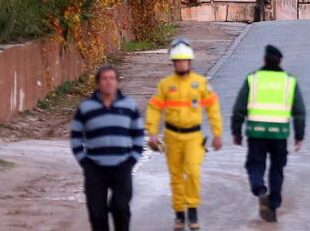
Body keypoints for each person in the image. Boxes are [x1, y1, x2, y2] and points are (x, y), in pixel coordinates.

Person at [146, 40, 223, 231]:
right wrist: (153, 132)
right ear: (173, 63)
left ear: (190, 62)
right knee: (176, 177)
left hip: (193, 137)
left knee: (193, 173)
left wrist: (217, 133)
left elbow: (213, 109)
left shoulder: (201, 83)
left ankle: (193, 210)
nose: (181, 64)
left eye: (184, 61)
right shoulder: (166, 85)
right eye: (178, 61)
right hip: (172, 137)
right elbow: (155, 108)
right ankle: (179, 215)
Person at [232, 45, 306, 223]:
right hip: (279, 134)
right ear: (281, 61)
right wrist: (299, 135)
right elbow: (299, 111)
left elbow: (239, 108)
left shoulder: (253, 79)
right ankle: (272, 206)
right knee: (277, 170)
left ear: (264, 60)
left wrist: (236, 131)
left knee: (255, 164)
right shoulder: (289, 81)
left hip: (256, 132)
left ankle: (260, 189)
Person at [71, 65, 144, 231]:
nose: (108, 82)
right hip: (95, 168)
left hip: (122, 166)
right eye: (104, 78)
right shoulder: (86, 108)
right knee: (97, 213)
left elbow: (139, 135)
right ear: (98, 82)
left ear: (117, 82)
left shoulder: (129, 106)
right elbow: (76, 137)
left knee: (120, 207)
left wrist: (132, 159)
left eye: (111, 78)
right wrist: (85, 162)